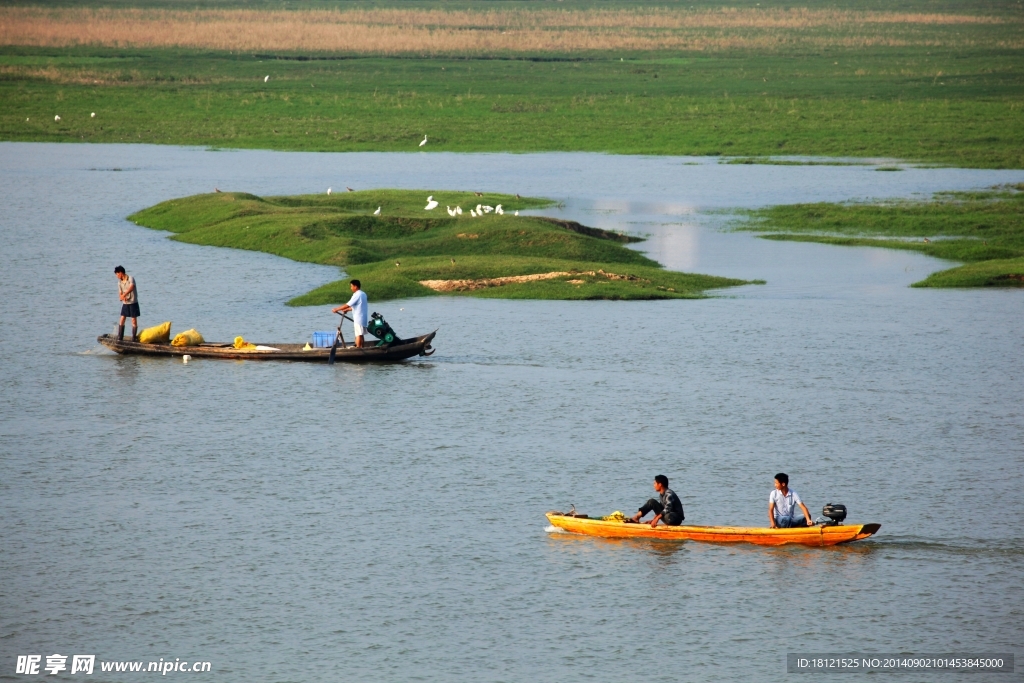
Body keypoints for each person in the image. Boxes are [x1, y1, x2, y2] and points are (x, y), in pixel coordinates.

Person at [332, 279, 368, 348]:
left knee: (358, 335)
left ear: (355, 286)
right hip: (363, 318)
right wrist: (347, 310)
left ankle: (358, 349)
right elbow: (357, 307)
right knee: (361, 334)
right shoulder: (363, 294)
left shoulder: (357, 295)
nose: (351, 288)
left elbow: (347, 304)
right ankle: (362, 348)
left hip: (358, 318)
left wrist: (337, 309)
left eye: (351, 286)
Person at [114, 265, 139, 342]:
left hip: (132, 302)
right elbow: (120, 293)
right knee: (122, 318)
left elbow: (132, 287)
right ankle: (120, 337)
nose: (117, 276)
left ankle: (134, 338)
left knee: (133, 320)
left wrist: (124, 294)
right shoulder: (119, 282)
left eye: (117, 274)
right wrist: (121, 297)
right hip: (125, 303)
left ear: (121, 273)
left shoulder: (130, 278)